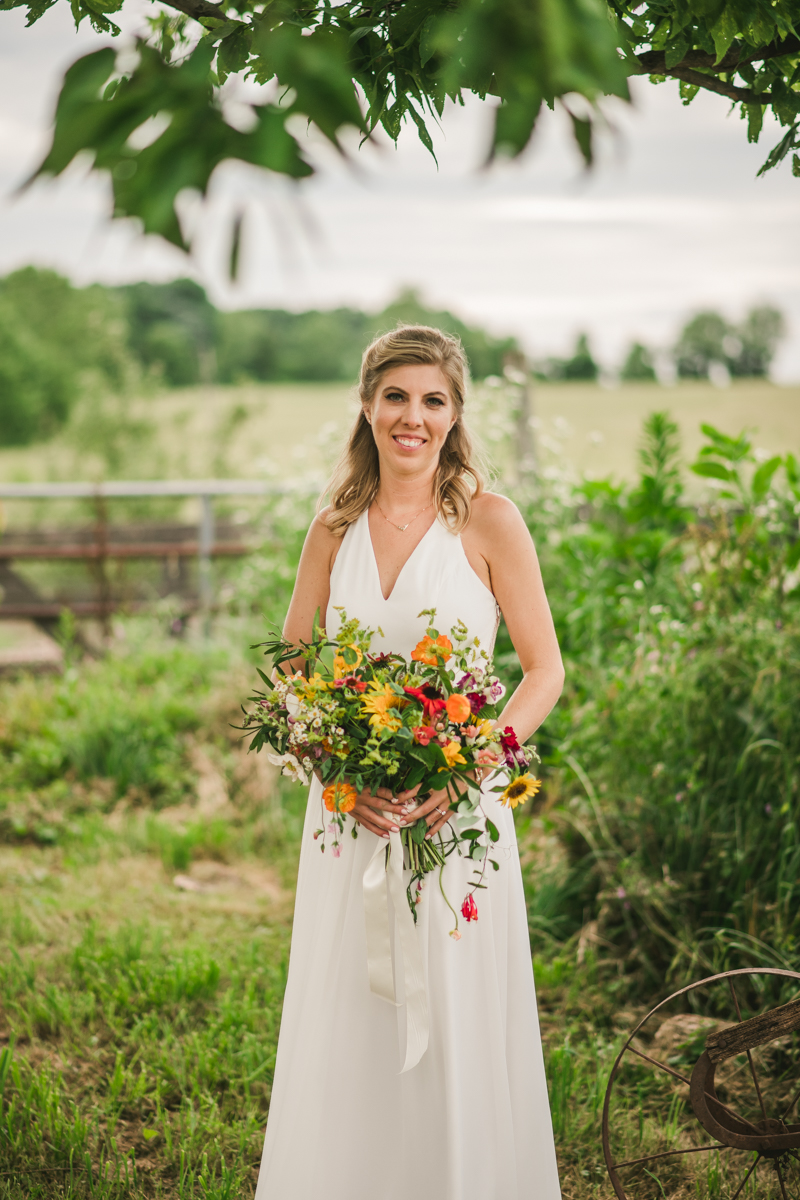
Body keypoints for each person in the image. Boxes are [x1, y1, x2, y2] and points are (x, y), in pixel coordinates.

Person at [254, 325, 564, 1200]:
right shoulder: (333, 528)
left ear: (456, 414)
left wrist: (469, 773)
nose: (413, 418)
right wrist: (337, 778)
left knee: (455, 1017)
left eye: (433, 400)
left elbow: (544, 671)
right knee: (350, 1012)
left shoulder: (490, 522)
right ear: (366, 405)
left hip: (456, 819)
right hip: (351, 819)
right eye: (397, 397)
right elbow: (294, 673)